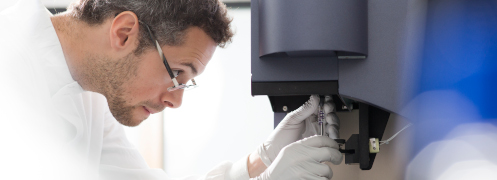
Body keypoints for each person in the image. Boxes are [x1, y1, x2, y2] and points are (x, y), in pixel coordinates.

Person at [0, 0, 342, 179]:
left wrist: (258, 162)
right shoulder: (8, 59)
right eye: (177, 72)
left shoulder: (89, 94)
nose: (175, 100)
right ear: (123, 33)